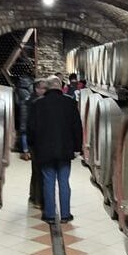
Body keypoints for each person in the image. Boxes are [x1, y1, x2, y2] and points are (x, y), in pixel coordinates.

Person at [27, 74, 82, 223]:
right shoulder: (70, 103)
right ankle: (65, 215)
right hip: (65, 149)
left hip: (44, 150)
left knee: (48, 181)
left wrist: (32, 145)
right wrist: (78, 147)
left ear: (47, 87)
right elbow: (77, 127)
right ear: (60, 87)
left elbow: (31, 128)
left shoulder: (38, 104)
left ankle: (50, 215)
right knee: (64, 181)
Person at [27, 78, 47, 208]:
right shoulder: (33, 102)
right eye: (41, 88)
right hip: (36, 142)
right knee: (38, 171)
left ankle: (34, 195)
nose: (43, 90)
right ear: (36, 89)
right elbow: (28, 124)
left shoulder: (40, 102)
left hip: (38, 141)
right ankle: (38, 199)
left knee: (37, 170)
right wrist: (28, 145)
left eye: (45, 88)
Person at [15, 74, 33, 158]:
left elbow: (16, 101)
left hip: (22, 109)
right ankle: (31, 151)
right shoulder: (31, 86)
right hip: (30, 108)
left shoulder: (18, 88)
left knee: (23, 131)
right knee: (30, 130)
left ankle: (25, 151)